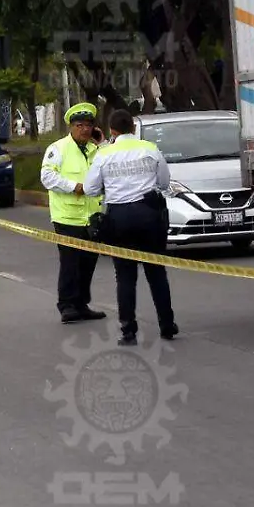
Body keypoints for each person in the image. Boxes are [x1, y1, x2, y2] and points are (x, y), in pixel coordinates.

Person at [83, 109, 178, 346]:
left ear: (112, 131)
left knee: (125, 276)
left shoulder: (104, 154)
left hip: (119, 218)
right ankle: (167, 325)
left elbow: (90, 188)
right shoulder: (149, 148)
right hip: (149, 214)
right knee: (156, 273)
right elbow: (164, 182)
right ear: (133, 128)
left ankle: (128, 331)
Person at [40, 103, 109, 324]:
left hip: (92, 217)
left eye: (89, 125)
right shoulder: (58, 149)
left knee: (88, 262)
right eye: (80, 125)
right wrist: (74, 186)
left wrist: (103, 142)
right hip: (67, 217)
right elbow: (47, 177)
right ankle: (67, 305)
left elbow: (111, 164)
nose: (85, 130)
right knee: (70, 262)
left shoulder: (96, 149)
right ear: (71, 127)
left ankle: (81, 304)